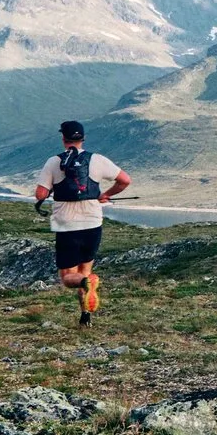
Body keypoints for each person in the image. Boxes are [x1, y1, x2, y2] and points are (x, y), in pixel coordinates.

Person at [34, 119, 130, 326]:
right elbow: (125, 180)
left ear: (63, 139)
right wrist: (105, 194)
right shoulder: (97, 160)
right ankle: (85, 316)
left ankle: (88, 284)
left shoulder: (53, 162)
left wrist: (51, 189)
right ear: (83, 138)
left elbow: (40, 193)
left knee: (69, 277)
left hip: (67, 224)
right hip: (93, 223)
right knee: (84, 269)